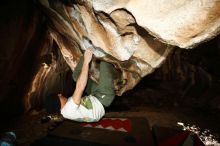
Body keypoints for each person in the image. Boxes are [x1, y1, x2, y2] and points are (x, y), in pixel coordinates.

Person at [45, 48, 116, 122]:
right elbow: (80, 87)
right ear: (58, 101)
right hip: (103, 98)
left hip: (94, 95)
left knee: (76, 76)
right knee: (104, 60)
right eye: (58, 95)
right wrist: (86, 61)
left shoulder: (65, 111)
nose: (60, 94)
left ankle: (89, 49)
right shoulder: (68, 109)